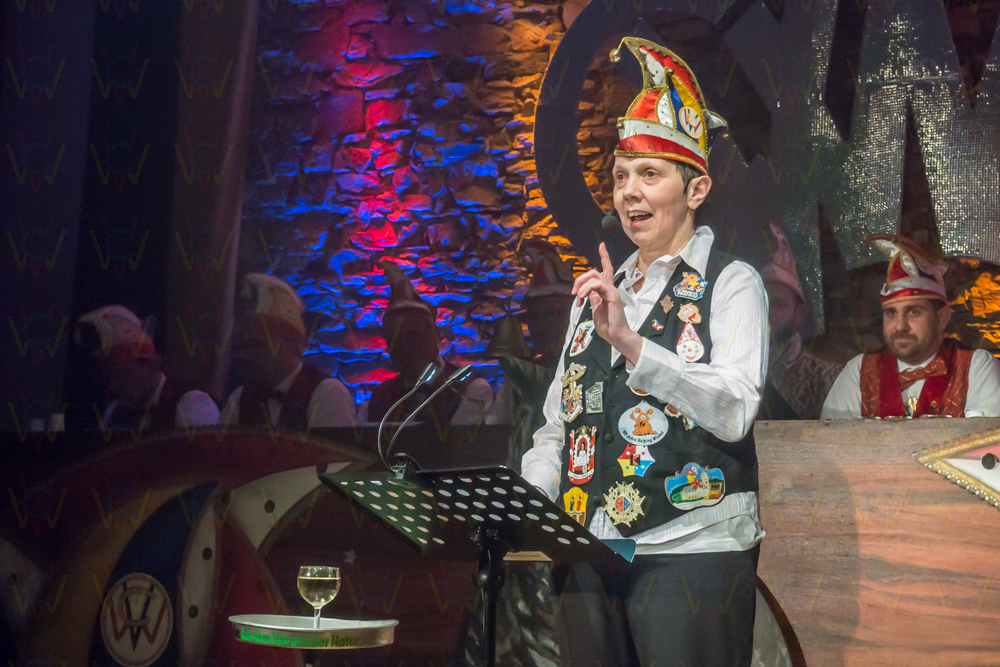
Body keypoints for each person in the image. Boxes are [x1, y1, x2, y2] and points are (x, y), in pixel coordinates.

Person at [520, 37, 768, 667]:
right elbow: (558, 428)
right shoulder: (593, 297)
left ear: (696, 188)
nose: (629, 192)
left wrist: (633, 344)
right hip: (586, 549)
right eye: (620, 176)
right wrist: (526, 507)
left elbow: (735, 409)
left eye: (650, 175)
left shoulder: (732, 283)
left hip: (691, 548)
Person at [821, 235, 1000, 419]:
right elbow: (831, 437)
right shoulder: (858, 372)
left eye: (913, 312)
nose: (900, 326)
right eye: (891, 313)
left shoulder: (976, 368)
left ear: (942, 318)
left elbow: (988, 437)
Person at [360, 259, 493, 425]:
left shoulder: (471, 391)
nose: (405, 348)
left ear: (436, 337)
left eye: (413, 336)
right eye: (394, 340)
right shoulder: (375, 401)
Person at [220, 273, 357, 428]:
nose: (248, 355)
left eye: (258, 345)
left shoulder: (328, 394)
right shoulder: (240, 398)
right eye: (245, 347)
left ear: (288, 345)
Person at [74, 305, 219, 431]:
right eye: (109, 378)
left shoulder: (193, 405)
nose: (113, 386)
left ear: (149, 365)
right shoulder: (113, 412)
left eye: (122, 377)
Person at [758, 221, 842, 420]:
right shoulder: (737, 369)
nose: (769, 312)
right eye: (763, 303)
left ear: (801, 313)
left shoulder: (830, 378)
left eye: (779, 304)